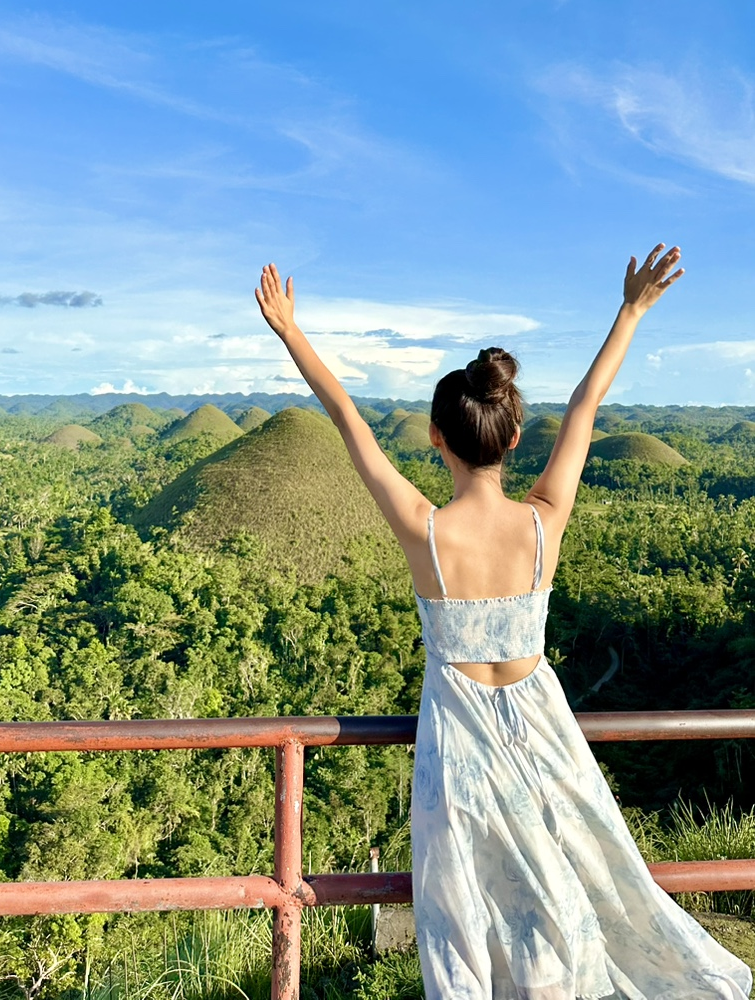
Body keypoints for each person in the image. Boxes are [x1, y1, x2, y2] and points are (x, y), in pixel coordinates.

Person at [256, 246, 752, 1000]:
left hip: (459, 748)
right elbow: (584, 408)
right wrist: (631, 311)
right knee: (574, 899)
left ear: (435, 438)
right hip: (542, 732)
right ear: (515, 438)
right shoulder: (543, 525)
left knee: (467, 927)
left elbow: (349, 421)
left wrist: (292, 333)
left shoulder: (425, 532)